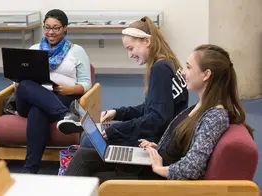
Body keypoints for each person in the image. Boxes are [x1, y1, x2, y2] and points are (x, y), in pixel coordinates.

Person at [64, 44, 253, 183]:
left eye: (188, 67)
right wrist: (157, 147)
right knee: (84, 156)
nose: (184, 73)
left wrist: (160, 168)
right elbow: (185, 143)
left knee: (87, 169)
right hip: (156, 160)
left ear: (206, 74)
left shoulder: (214, 116)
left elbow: (193, 166)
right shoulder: (204, 106)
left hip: (157, 178)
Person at [75, 16, 189, 148]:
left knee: (88, 140)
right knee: (91, 136)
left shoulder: (160, 69)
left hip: (158, 141)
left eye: (131, 48)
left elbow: (157, 120)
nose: (129, 55)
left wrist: (116, 130)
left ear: (147, 41)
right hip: (163, 136)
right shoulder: (169, 62)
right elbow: (152, 109)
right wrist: (118, 113)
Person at [14, 9, 91, 173]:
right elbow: (22, 79)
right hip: (30, 98)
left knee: (38, 111)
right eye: (47, 27)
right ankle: (65, 115)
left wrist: (69, 89)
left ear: (64, 28)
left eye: (56, 28)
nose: (51, 32)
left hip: (61, 96)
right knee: (24, 85)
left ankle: (30, 170)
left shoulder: (77, 51)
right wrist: (16, 78)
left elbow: (86, 84)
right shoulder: (34, 49)